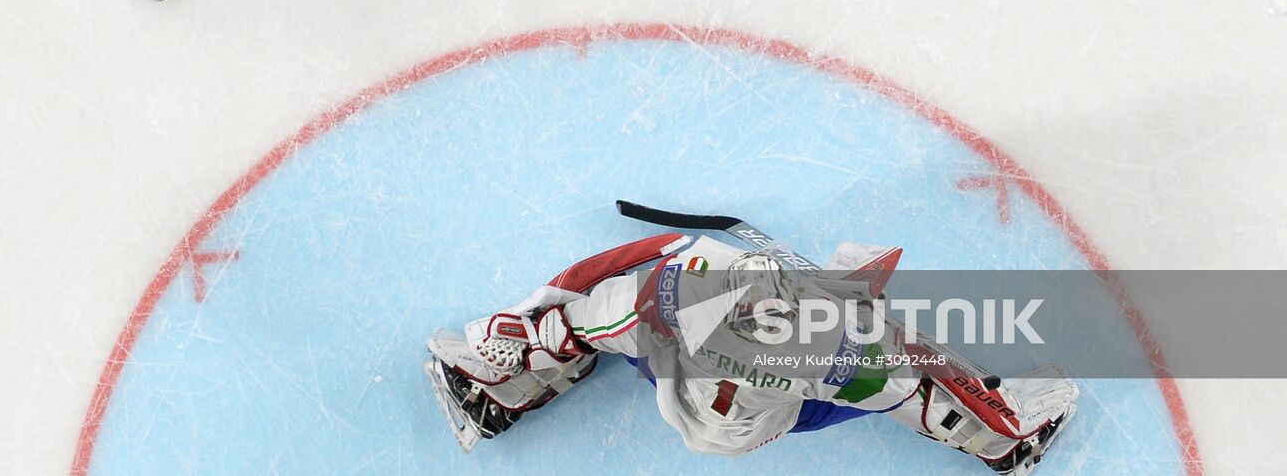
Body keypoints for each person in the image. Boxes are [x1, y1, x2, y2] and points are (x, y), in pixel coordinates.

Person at [425, 233, 1078, 474]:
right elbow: (928, 394)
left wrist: (507, 335)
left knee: (584, 319)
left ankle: (506, 388)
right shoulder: (851, 358)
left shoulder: (687, 282)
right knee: (919, 374)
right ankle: (1009, 449)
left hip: (676, 382)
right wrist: (1006, 429)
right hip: (756, 426)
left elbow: (590, 289)